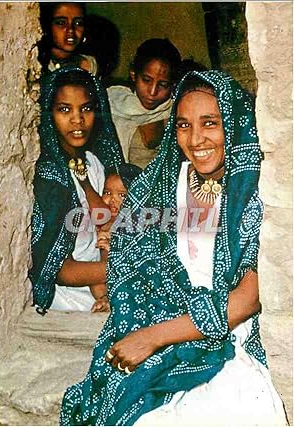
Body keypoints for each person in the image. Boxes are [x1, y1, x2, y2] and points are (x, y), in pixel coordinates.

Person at [59, 70, 288, 426]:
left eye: (210, 123)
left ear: (234, 123)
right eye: (183, 125)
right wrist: (141, 322)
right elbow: (131, 258)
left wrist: (151, 339)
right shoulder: (164, 184)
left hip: (223, 335)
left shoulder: (252, 194)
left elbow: (246, 300)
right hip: (159, 319)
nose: (196, 139)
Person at [29, 66, 124, 315]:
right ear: (49, 113)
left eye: (86, 108)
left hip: (102, 279)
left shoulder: (93, 163)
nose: (77, 119)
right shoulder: (49, 178)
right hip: (69, 296)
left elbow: (106, 225)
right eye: (64, 109)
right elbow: (58, 271)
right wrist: (127, 266)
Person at [107, 38, 181, 169]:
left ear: (173, 85)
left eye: (162, 85)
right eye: (146, 80)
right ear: (134, 74)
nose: (152, 92)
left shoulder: (178, 112)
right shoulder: (113, 101)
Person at [93, 163, 142, 312]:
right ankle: (104, 298)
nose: (113, 200)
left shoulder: (137, 222)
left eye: (122, 195)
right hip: (100, 278)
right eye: (107, 193)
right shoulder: (99, 221)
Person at [38, 2, 98, 75]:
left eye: (78, 23)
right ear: (47, 26)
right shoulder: (37, 65)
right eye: (61, 23)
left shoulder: (89, 66)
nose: (71, 30)